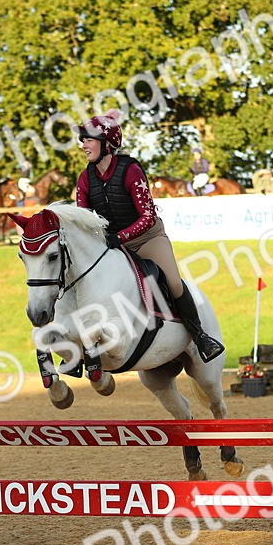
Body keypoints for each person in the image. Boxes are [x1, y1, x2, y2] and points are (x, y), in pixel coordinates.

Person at [74, 110, 225, 362]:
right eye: (83, 140)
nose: (83, 145)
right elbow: (84, 219)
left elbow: (148, 216)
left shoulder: (131, 170)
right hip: (111, 246)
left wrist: (120, 237)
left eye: (88, 139)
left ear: (108, 143)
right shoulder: (84, 179)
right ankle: (82, 351)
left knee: (174, 283)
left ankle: (200, 337)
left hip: (147, 239)